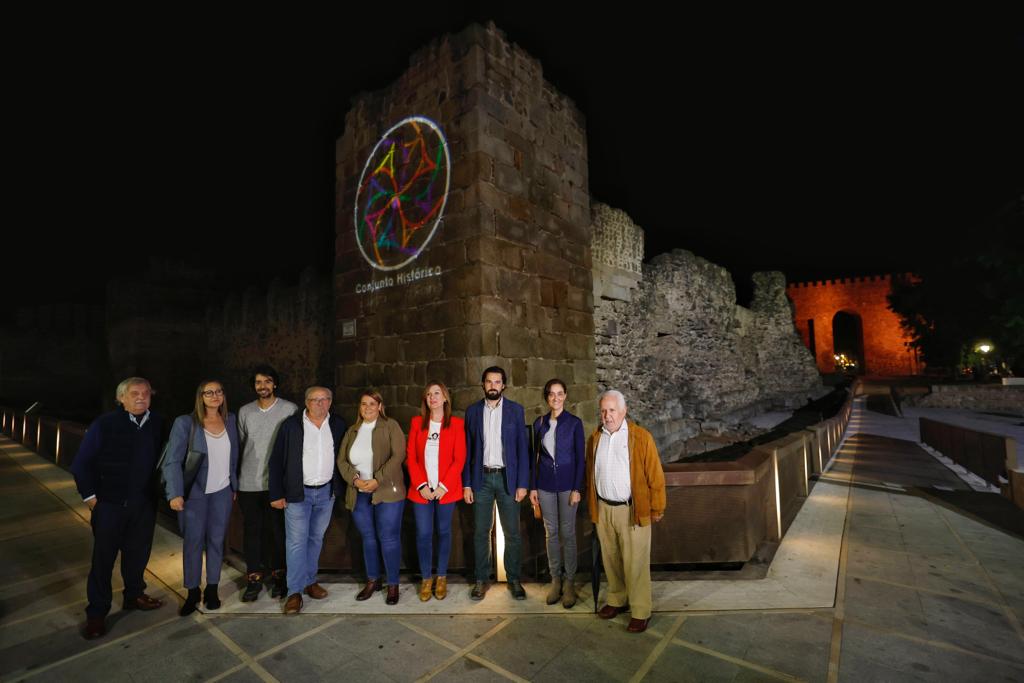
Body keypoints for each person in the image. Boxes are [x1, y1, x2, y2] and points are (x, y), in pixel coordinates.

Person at [71, 377, 164, 639]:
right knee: (103, 560)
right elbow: (81, 464)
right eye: (134, 393)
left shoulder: (157, 423)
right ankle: (97, 613)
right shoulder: (105, 424)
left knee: (137, 556)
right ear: (121, 398)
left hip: (143, 505)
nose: (140, 398)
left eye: (146, 393)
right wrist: (91, 499)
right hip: (109, 505)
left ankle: (134, 595)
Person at [585, 390, 666, 633]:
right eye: (603, 411)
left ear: (623, 411)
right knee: (611, 560)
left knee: (636, 562)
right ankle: (617, 600)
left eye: (611, 410)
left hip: (631, 510)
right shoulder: (595, 438)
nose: (607, 415)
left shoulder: (640, 437)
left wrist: (657, 507)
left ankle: (640, 610)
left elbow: (655, 475)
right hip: (604, 508)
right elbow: (591, 473)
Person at [162, 380, 239, 616]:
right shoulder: (186, 423)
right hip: (195, 493)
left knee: (217, 541)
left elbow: (235, 454)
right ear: (200, 396)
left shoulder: (231, 420)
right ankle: (193, 591)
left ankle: (213, 588)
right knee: (193, 542)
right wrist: (174, 492)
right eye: (209, 392)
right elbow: (172, 460)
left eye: (219, 391)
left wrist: (233, 485)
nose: (215, 396)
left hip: (223, 492)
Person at [268, 386, 346, 614]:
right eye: (315, 400)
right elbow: (275, 462)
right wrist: (276, 493)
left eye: (325, 400)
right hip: (297, 494)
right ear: (306, 402)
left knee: (316, 539)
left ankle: (310, 581)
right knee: (295, 542)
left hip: (325, 493)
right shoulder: (291, 426)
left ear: (330, 402)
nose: (320, 404)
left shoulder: (338, 425)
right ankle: (294, 591)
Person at [463, 366, 529, 600]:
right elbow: (468, 450)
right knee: (481, 531)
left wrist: (522, 483)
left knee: (512, 533)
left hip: (507, 479)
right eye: (489, 382)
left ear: (504, 386)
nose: (493, 385)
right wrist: (467, 484)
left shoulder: (515, 411)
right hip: (480, 478)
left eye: (497, 382)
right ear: (483, 385)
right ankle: (481, 579)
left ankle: (514, 579)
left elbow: (523, 448)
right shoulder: (472, 412)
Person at [337, 389, 407, 605]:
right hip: (359, 493)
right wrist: (356, 481)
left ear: (380, 406)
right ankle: (373, 580)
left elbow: (398, 456)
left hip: (387, 491)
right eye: (363, 404)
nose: (367, 407)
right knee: (368, 538)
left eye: (372, 404)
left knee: (388, 538)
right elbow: (341, 461)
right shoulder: (352, 431)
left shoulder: (390, 426)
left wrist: (378, 479)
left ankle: (393, 583)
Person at [237, 365, 298, 601]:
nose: (263, 386)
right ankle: (254, 579)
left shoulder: (289, 409)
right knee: (252, 532)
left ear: (275, 384)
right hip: (248, 483)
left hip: (277, 485)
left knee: (277, 532)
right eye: (258, 382)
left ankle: (279, 577)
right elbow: (241, 447)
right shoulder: (245, 412)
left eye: (267, 381)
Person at [406, 382, 466, 602]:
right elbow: (410, 457)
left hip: (445, 491)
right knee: (423, 534)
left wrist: (443, 486)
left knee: (443, 533)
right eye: (429, 394)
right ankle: (426, 578)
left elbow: (459, 459)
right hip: (420, 491)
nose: (432, 397)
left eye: (436, 393)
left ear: (445, 398)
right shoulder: (416, 423)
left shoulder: (457, 424)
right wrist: (421, 485)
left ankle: (441, 576)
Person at [529, 379, 585, 608]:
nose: (556, 398)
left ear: (565, 396)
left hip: (567, 486)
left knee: (568, 533)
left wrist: (577, 488)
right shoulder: (539, 423)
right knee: (550, 532)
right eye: (551, 394)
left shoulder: (574, 423)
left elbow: (580, 459)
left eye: (560, 393)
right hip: (544, 486)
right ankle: (556, 579)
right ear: (546, 397)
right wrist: (532, 487)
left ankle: (570, 582)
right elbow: (534, 458)